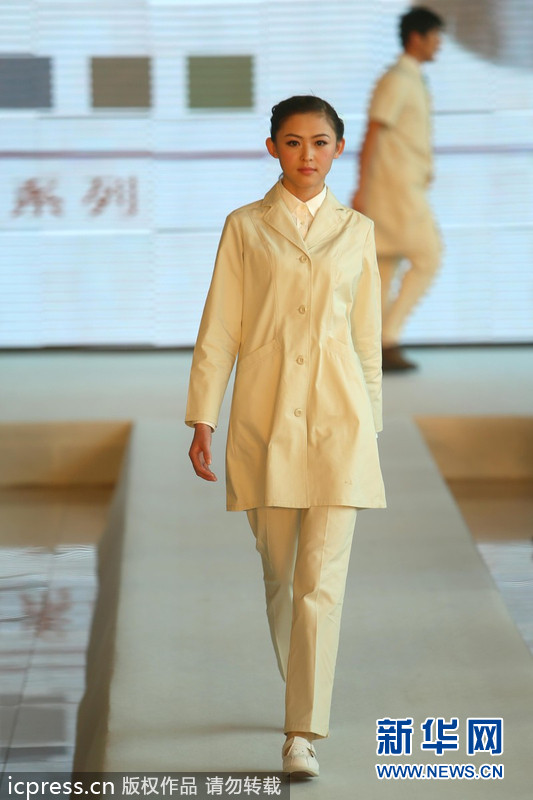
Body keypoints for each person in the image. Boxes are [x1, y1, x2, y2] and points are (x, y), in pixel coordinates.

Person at [186, 95, 386, 777]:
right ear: (272, 147)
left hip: (339, 423)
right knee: (281, 578)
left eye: (320, 142)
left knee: (319, 585)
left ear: (338, 149)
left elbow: (366, 339)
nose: (308, 155)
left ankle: (301, 732)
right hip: (264, 420)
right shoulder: (244, 227)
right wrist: (203, 416)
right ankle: (303, 677)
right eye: (294, 142)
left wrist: (371, 427)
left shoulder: (357, 231)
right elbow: (220, 328)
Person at [352, 6, 444, 371]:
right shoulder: (397, 80)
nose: (439, 44)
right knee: (428, 257)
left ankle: (372, 347)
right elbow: (373, 132)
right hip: (395, 190)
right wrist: (361, 188)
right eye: (434, 37)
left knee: (384, 266)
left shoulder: (412, 78)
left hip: (400, 187)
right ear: (416, 38)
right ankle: (387, 338)